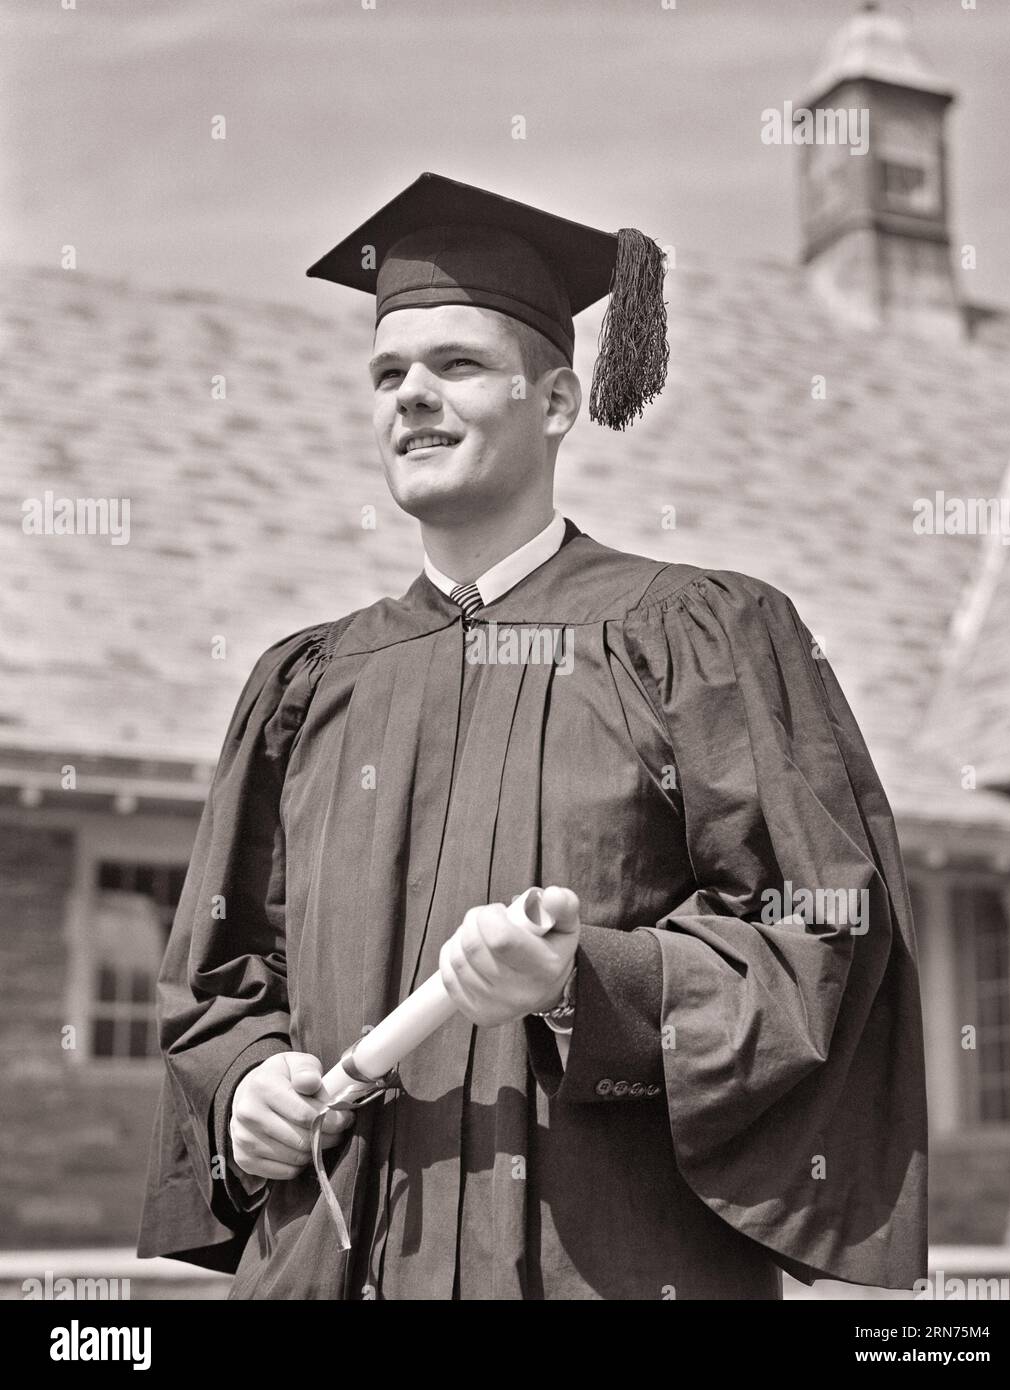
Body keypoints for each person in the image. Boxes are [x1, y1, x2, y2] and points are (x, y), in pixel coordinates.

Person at [137, 173, 928, 1300]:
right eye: (386, 374)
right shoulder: (307, 686)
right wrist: (243, 1091)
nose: (410, 395)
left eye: (456, 365)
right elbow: (219, 976)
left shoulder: (696, 635)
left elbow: (822, 933)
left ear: (555, 401)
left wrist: (581, 980)